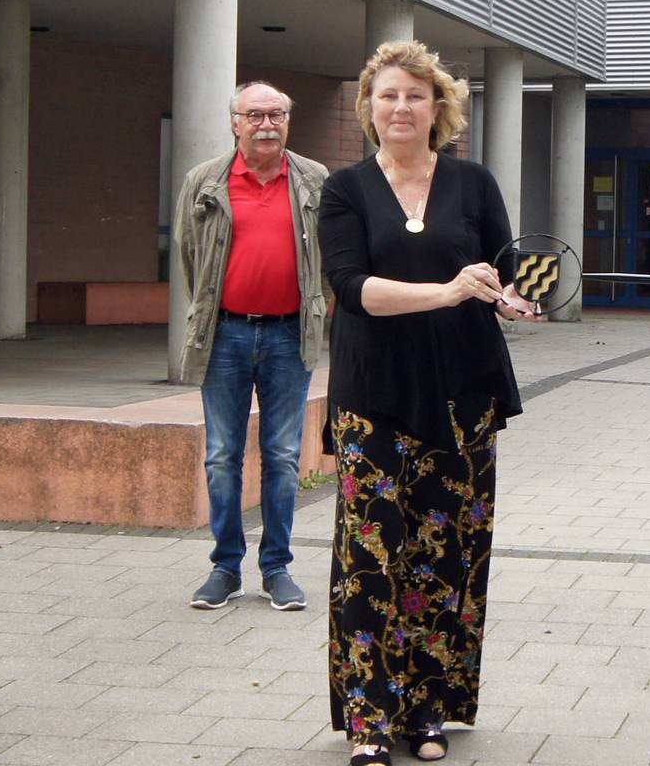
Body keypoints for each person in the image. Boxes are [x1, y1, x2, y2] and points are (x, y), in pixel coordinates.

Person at [317, 40, 538, 765]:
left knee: (446, 559)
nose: (402, 107)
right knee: (371, 560)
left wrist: (513, 300)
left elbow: (505, 273)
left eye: (416, 94)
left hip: (462, 393)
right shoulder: (346, 189)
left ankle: (429, 711)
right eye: (388, 95)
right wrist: (446, 290)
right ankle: (371, 719)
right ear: (368, 110)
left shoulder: (474, 183)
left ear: (440, 107)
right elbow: (352, 289)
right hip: (373, 393)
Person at [173, 80, 331, 612]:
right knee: (222, 455)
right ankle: (224, 567)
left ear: (289, 120)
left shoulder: (314, 180)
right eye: (255, 115)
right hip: (225, 334)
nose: (267, 124)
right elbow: (190, 258)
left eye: (277, 115)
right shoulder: (204, 182)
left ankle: (277, 567)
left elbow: (331, 259)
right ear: (235, 121)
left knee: (284, 456)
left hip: (290, 334)